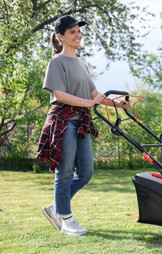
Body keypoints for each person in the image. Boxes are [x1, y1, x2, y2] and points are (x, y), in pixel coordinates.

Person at [37, 15, 129, 235]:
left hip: (81, 123)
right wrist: (89, 103)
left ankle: (56, 207)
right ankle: (66, 220)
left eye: (79, 31)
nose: (78, 35)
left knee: (86, 173)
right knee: (65, 171)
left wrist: (118, 104)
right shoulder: (57, 62)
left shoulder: (81, 63)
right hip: (63, 120)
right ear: (61, 37)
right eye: (72, 32)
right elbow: (59, 94)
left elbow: (95, 94)